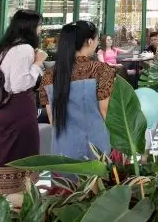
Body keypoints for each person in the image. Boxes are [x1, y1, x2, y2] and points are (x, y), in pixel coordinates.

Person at [0, 9, 46, 200]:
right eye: (39, 25)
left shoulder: (6, 48)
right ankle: (20, 202)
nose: (41, 29)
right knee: (24, 154)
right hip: (19, 109)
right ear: (30, 27)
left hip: (1, 109)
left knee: (3, 155)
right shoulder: (24, 49)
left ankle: (1, 200)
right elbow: (20, 84)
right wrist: (38, 63)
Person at [39, 20, 115, 160]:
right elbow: (105, 113)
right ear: (90, 41)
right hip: (96, 148)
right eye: (97, 39)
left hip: (62, 149)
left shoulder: (49, 75)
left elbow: (52, 118)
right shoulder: (101, 70)